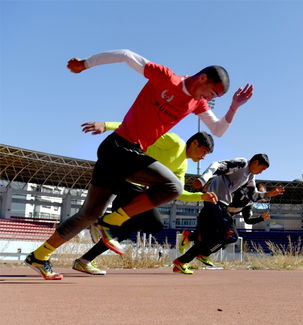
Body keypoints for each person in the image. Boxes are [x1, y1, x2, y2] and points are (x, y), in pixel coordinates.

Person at [25, 49, 253, 280]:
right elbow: (126, 56)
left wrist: (234, 107)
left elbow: (218, 130)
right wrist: (85, 64)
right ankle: (113, 220)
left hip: (124, 155)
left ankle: (40, 255)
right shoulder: (165, 77)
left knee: (88, 215)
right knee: (172, 186)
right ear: (203, 78)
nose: (210, 98)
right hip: (118, 147)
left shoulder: (197, 104)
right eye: (213, 92)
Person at [72, 124, 217, 275]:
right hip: (127, 179)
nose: (203, 157)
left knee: (127, 229)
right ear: (195, 143)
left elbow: (178, 192)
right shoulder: (175, 143)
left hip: (138, 189)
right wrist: (106, 126)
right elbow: (138, 129)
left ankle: (84, 260)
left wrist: (201, 196)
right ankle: (102, 222)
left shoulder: (182, 166)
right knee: (154, 223)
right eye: (204, 151)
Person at [172, 154, 285, 274]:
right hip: (215, 202)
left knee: (208, 239)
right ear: (256, 162)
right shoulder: (242, 164)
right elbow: (217, 165)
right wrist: (203, 179)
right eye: (262, 169)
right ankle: (201, 252)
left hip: (221, 206)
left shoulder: (250, 177)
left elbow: (253, 196)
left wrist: (268, 194)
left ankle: (184, 258)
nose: (262, 172)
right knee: (231, 236)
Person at [178, 183, 281, 268]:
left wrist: (261, 218)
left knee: (223, 240)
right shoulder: (238, 193)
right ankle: (190, 254)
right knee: (227, 237)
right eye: (262, 194)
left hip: (220, 221)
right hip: (208, 217)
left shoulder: (248, 204)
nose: (263, 197)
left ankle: (190, 241)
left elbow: (248, 220)